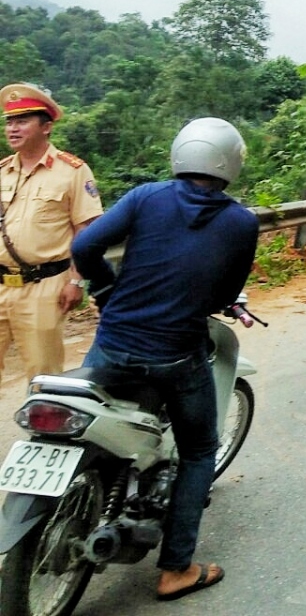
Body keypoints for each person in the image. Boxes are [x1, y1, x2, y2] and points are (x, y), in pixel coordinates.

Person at [71, 117, 259, 602]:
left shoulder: (145, 197)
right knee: (199, 451)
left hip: (112, 343)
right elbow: (224, 289)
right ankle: (176, 568)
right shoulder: (241, 222)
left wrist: (107, 288)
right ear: (230, 164)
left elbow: (85, 245)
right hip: (176, 355)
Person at [0, 82, 103, 383]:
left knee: (42, 375)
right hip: (2, 281)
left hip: (44, 287)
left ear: (46, 127)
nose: (13, 129)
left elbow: (85, 230)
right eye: (9, 122)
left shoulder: (72, 171)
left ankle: (43, 432)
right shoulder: (3, 170)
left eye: (22, 121)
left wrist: (75, 281)